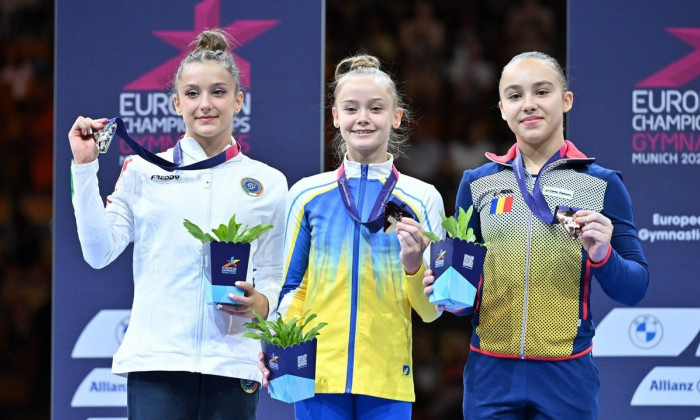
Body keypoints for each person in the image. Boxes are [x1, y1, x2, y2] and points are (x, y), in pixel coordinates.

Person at [68, 29, 287, 420]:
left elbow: (274, 271)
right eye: (192, 93)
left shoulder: (268, 182)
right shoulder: (142, 170)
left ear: (238, 100)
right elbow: (99, 252)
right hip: (158, 361)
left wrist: (265, 302)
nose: (205, 104)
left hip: (232, 362)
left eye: (218, 92)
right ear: (175, 103)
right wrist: (85, 168)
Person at [423, 51, 649, 419]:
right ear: (501, 109)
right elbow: (462, 299)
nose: (528, 104)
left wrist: (604, 255)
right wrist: (446, 287)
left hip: (567, 373)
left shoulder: (602, 184)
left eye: (541, 91)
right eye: (514, 96)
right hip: (490, 373)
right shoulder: (477, 184)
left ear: (566, 100)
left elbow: (635, 287)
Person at [260, 54, 445, 420]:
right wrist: (275, 345)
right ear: (335, 117)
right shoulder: (306, 194)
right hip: (316, 375)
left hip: (388, 378)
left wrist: (412, 267)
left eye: (376, 108)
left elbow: (430, 311)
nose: (363, 118)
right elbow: (292, 287)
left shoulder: (423, 198)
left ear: (396, 117)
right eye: (351, 108)